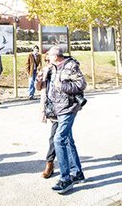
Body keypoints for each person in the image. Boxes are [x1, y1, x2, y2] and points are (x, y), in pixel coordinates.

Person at [47, 46, 87, 194]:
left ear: (56, 55)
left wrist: (61, 85)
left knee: (59, 139)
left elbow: (81, 84)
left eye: (49, 54)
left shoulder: (71, 65)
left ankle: (65, 179)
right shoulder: (53, 67)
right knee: (68, 140)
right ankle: (77, 173)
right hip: (58, 107)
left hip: (69, 107)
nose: (47, 56)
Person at [35, 54, 58, 179]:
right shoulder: (44, 71)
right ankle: (73, 166)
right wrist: (38, 80)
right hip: (50, 108)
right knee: (64, 139)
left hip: (62, 108)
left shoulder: (60, 70)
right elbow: (38, 88)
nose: (48, 62)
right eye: (46, 60)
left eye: (49, 60)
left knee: (54, 137)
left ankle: (49, 163)